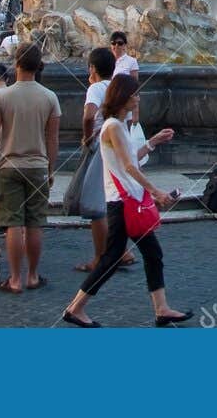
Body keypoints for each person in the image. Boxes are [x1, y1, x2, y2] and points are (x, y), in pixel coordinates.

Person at [62, 74, 189, 328]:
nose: (138, 98)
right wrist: (156, 191)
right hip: (122, 202)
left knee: (150, 254)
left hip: (126, 200)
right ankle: (75, 308)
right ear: (123, 97)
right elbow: (130, 166)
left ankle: (161, 309)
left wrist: (153, 142)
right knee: (112, 258)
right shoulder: (113, 127)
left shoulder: (117, 125)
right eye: (135, 94)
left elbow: (131, 157)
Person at [0, 42, 62, 294]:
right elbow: (52, 139)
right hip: (38, 166)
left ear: (15, 63)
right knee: (35, 223)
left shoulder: (1, 96)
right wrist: (50, 168)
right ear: (39, 65)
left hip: (9, 165)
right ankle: (32, 275)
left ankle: (15, 278)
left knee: (13, 224)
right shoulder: (49, 97)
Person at [76, 47, 119, 273]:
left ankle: (101, 257)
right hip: (119, 148)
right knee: (114, 201)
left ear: (93, 68)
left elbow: (89, 115)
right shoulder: (117, 88)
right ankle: (122, 251)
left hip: (102, 147)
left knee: (96, 204)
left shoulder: (96, 88)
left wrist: (87, 136)